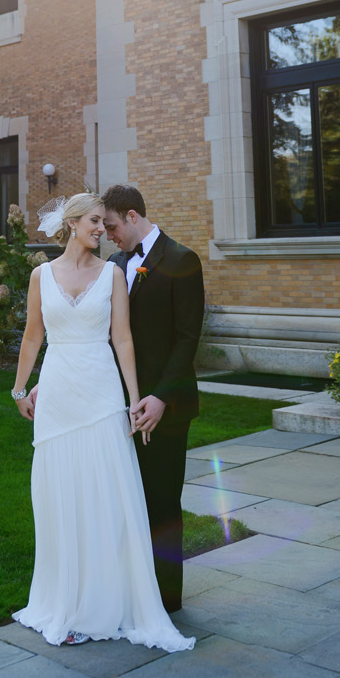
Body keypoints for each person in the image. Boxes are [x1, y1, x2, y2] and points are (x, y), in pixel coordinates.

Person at [10, 192, 193, 652]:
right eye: (94, 222)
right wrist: (23, 388)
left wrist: (137, 399)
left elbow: (126, 340)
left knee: (111, 495)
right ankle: (65, 600)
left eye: (106, 223)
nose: (102, 231)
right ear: (72, 223)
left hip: (104, 394)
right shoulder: (40, 275)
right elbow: (34, 336)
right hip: (58, 395)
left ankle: (126, 598)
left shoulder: (118, 271)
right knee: (61, 494)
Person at [101, 184, 205, 615]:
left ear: (130, 216)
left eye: (110, 226)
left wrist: (160, 397)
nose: (108, 235)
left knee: (162, 503)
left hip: (167, 408)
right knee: (127, 501)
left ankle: (167, 600)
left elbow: (186, 340)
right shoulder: (115, 264)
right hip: (121, 407)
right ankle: (134, 592)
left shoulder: (181, 260)